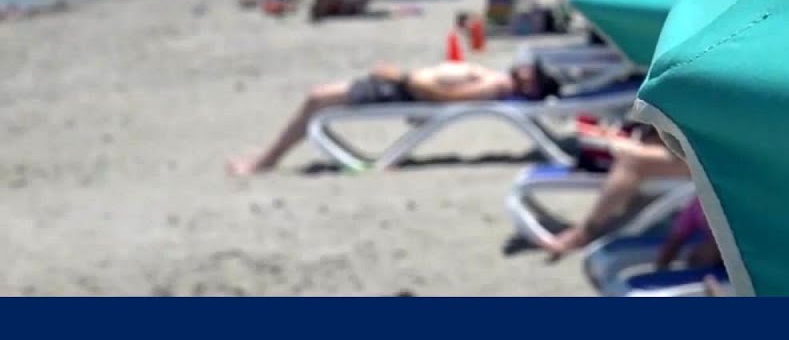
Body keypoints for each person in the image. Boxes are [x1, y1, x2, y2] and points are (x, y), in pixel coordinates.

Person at [226, 58, 562, 176]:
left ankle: (266, 161)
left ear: (530, 87)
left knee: (317, 98)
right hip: (400, 86)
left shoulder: (493, 87)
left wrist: (400, 77)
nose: (527, 67)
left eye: (534, 73)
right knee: (317, 99)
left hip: (400, 92)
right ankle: (267, 158)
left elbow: (445, 97)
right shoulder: (498, 81)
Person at [537, 127, 691, 259]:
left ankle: (583, 233)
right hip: (688, 146)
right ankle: (621, 209)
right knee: (625, 147)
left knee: (634, 160)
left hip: (706, 158)